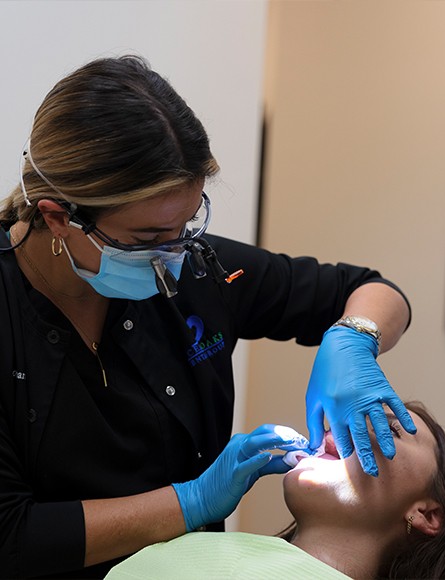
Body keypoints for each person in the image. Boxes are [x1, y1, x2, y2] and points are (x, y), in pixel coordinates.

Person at [0, 55, 414, 579]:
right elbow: (10, 536)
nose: (176, 256)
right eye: (148, 240)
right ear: (58, 216)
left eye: (188, 224)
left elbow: (372, 290)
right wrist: (192, 501)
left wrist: (353, 339)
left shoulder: (198, 268)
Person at [104, 401, 445, 579]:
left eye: (390, 430)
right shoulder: (186, 545)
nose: (348, 427)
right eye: (352, 414)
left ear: (427, 514)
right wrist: (191, 502)